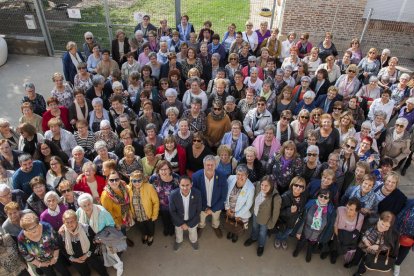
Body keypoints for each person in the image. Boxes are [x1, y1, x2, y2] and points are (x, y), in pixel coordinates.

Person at [76, 193, 123, 276]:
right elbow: (74, 221)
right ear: (80, 206)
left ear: (92, 202)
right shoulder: (79, 212)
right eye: (84, 206)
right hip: (89, 237)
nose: (87, 207)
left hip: (103, 235)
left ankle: (119, 265)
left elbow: (110, 225)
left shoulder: (102, 212)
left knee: (109, 251)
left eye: (88, 204)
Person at [345, 211, 398, 276]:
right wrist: (365, 240)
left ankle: (360, 272)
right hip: (362, 245)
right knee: (357, 255)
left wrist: (379, 247)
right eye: (382, 224)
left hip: (372, 252)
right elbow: (362, 232)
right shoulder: (370, 222)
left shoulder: (391, 233)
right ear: (379, 219)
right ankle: (354, 262)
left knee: (365, 262)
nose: (383, 227)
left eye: (387, 226)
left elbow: (389, 245)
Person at [58, 210, 109, 276]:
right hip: (76, 258)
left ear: (76, 220)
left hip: (90, 253)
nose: (70, 224)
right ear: (64, 223)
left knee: (101, 269)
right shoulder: (62, 233)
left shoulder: (86, 228)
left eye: (72, 221)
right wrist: (74, 259)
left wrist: (87, 255)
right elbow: (62, 249)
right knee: (84, 273)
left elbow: (94, 242)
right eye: (67, 222)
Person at [293, 189, 336, 263]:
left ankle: (309, 254)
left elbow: (329, 227)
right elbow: (302, 219)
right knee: (301, 242)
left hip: (317, 235)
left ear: (329, 199)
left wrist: (323, 238)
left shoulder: (331, 211)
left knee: (311, 245)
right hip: (305, 230)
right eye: (321, 196)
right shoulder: (310, 204)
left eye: (326, 197)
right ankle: (297, 250)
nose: (323, 199)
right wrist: (299, 232)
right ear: (318, 195)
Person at [192, 155, 228, 239]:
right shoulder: (196, 176)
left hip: (216, 205)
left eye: (212, 165)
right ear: (203, 165)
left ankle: (215, 227)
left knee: (216, 219)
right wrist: (204, 208)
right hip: (202, 205)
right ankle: (201, 226)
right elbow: (195, 195)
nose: (210, 167)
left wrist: (212, 209)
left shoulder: (222, 176)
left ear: (215, 165)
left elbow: (223, 196)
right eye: (207, 165)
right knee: (201, 219)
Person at [244, 176, 281, 256]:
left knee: (262, 233)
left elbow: (275, 213)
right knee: (254, 227)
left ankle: (261, 245)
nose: (263, 187)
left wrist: (271, 224)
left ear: (271, 186)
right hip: (255, 214)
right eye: (262, 185)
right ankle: (253, 238)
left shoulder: (276, 197)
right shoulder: (258, 186)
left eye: (266, 185)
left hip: (265, 220)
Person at [323, 197, 364, 264]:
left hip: (348, 238)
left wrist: (347, 240)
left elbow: (357, 231)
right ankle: (327, 251)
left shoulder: (360, 217)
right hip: (337, 233)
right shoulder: (340, 209)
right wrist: (338, 237)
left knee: (340, 248)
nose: (348, 210)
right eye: (347, 207)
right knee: (333, 244)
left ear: (356, 211)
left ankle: (335, 255)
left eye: (351, 209)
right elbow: (335, 224)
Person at [100, 170, 135, 246]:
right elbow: (108, 213)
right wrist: (117, 224)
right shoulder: (106, 196)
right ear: (107, 180)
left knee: (125, 228)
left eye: (116, 179)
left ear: (120, 179)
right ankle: (124, 240)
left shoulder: (122, 185)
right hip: (118, 219)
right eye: (111, 180)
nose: (114, 182)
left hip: (127, 213)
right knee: (122, 231)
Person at [169, 175, 202, 251]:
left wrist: (189, 224)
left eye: (187, 185)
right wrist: (181, 223)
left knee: (193, 232)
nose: (185, 188)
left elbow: (198, 211)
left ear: (191, 184)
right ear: (179, 184)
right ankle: (178, 241)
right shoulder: (173, 195)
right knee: (178, 232)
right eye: (182, 185)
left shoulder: (197, 193)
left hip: (192, 220)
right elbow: (172, 211)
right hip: (178, 220)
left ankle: (193, 241)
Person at [127, 170, 159, 246]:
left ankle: (150, 236)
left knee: (150, 227)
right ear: (131, 181)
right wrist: (131, 214)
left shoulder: (149, 187)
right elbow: (127, 203)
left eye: (139, 180)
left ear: (143, 180)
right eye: (134, 181)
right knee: (141, 227)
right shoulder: (128, 188)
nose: (136, 183)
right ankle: (145, 235)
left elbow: (156, 202)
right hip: (137, 215)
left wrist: (155, 215)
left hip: (148, 214)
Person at [274, 176, 307, 250]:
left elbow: (302, 209)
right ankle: (278, 239)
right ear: (292, 185)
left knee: (287, 233)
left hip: (293, 221)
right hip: (284, 221)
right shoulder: (285, 197)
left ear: (303, 188)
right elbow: (278, 211)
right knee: (281, 231)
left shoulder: (303, 197)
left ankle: (284, 239)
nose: (298, 188)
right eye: (296, 185)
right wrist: (289, 211)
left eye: (301, 186)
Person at [225, 165, 255, 243]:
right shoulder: (230, 178)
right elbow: (225, 194)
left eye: (243, 175)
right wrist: (227, 208)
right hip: (230, 209)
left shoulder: (251, 188)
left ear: (247, 175)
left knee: (238, 225)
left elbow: (248, 205)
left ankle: (236, 234)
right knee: (231, 222)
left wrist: (237, 214)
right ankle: (231, 231)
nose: (240, 176)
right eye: (238, 174)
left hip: (241, 212)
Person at [149, 160, 179, 236]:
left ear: (170, 169)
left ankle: (172, 228)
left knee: (173, 217)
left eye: (166, 169)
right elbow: (150, 189)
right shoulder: (154, 178)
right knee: (164, 217)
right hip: (161, 205)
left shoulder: (176, 177)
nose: (163, 171)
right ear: (158, 170)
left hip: (173, 204)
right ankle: (166, 227)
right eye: (161, 169)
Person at [394, 199, 414, 276]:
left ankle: (397, 264)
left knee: (404, 251)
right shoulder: (409, 201)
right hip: (398, 230)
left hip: (410, 235)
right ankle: (388, 260)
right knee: (392, 246)